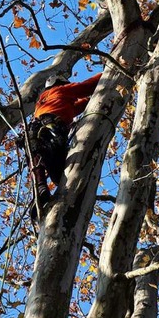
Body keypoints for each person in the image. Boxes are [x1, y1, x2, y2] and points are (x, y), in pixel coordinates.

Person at [24, 72, 102, 219]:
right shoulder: (60, 90)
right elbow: (85, 87)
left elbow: (80, 105)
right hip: (51, 131)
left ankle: (41, 191)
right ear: (60, 83)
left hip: (47, 133)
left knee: (42, 159)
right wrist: (106, 73)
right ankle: (41, 191)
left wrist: (91, 100)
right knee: (44, 157)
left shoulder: (47, 101)